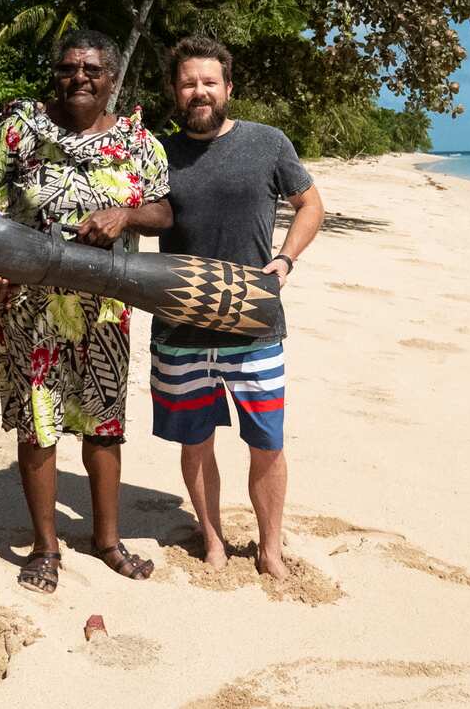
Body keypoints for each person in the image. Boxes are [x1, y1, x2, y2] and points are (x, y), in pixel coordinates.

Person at [0, 29, 172, 593]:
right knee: (39, 423)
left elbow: (164, 210)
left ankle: (107, 540)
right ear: (55, 73)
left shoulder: (139, 142)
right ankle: (44, 547)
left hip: (106, 306)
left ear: (113, 79)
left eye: (92, 70)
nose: (79, 78)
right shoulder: (20, 130)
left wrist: (125, 216)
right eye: (68, 68)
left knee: (104, 423)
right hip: (26, 304)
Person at [151, 35, 324, 580]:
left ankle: (270, 548)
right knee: (195, 441)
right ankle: (213, 539)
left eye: (208, 81)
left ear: (228, 88)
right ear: (175, 92)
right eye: (187, 83)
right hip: (178, 325)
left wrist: (286, 259)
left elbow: (310, 204)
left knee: (266, 443)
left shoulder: (268, 142)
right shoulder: (156, 154)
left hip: (254, 324)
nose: (198, 91)